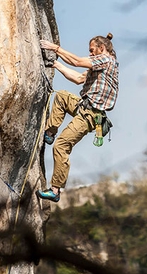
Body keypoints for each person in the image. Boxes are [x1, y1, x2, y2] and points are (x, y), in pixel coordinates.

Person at [37, 34, 119, 203]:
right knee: (61, 97)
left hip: (91, 116)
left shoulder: (106, 60)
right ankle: (50, 133)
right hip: (83, 106)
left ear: (101, 48)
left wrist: (55, 48)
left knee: (62, 146)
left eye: (92, 50)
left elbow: (77, 61)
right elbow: (77, 78)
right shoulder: (99, 66)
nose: (90, 54)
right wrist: (56, 64)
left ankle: (55, 190)